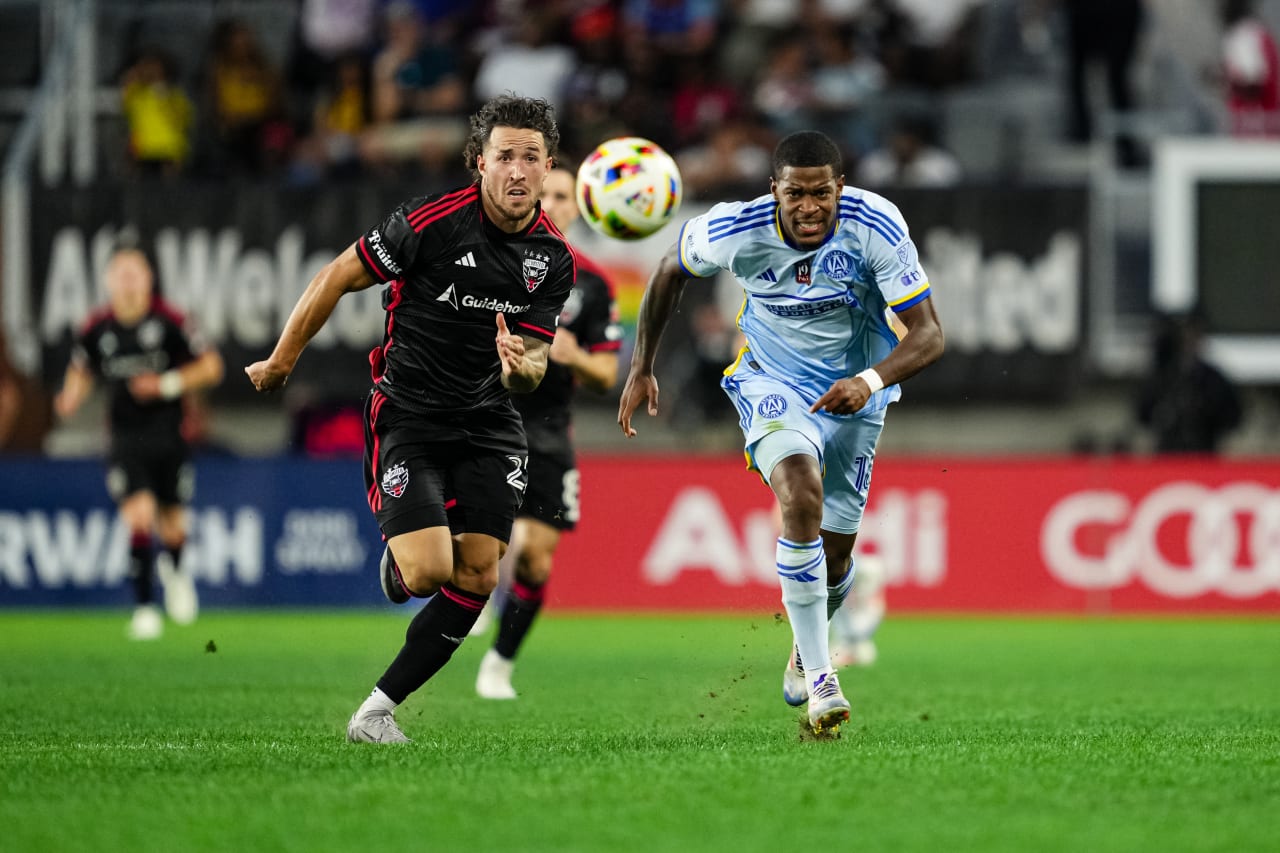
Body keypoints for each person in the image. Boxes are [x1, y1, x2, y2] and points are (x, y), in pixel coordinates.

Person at [245, 94, 574, 744]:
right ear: (479, 162)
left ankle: (376, 710)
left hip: (490, 420)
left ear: (548, 167)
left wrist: (516, 366)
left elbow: (532, 371)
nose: (517, 170)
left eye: (530, 158)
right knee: (426, 573)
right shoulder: (431, 222)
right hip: (411, 415)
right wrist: (283, 360)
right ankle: (402, 565)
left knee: (479, 572)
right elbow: (338, 274)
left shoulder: (552, 258)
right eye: (504, 156)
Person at [618, 130, 945, 735]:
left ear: (839, 188)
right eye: (796, 193)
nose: (810, 206)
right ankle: (824, 680)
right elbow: (667, 271)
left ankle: (804, 648)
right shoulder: (732, 230)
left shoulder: (875, 222)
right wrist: (642, 366)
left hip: (856, 394)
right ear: (775, 190)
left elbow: (929, 334)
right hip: (772, 383)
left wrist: (868, 382)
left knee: (838, 554)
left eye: (822, 193)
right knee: (801, 494)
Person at [473, 166, 621, 699]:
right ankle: (468, 593)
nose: (552, 203)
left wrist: (574, 353)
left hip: (551, 429)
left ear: (579, 207)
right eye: (545, 192)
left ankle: (499, 664)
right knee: (479, 544)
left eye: (563, 196)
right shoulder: (489, 260)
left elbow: (607, 374)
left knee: (536, 556)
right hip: (485, 416)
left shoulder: (595, 284)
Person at [54, 247, 224, 639]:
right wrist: (70, 396)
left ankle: (177, 570)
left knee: (174, 529)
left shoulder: (171, 321)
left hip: (169, 436)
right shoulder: (97, 328)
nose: (128, 278)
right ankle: (145, 607)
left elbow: (212, 366)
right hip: (125, 439)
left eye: (136, 270)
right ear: (108, 280)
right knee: (139, 516)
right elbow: (80, 369)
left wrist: (165, 383)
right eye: (120, 271)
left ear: (149, 278)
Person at [1135, 310, 1243, 453]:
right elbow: (1143, 414)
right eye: (1185, 336)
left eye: (1195, 335)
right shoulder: (1162, 376)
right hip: (1168, 454)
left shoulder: (1214, 379)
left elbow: (1233, 416)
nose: (1189, 341)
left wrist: (1206, 412)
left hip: (1205, 452)